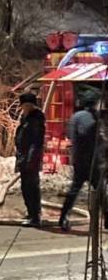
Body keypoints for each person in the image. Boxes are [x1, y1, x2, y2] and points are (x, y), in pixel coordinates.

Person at [59, 90, 101, 231]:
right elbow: (86, 133)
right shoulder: (88, 117)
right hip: (89, 160)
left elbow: (70, 134)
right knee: (99, 189)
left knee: (75, 189)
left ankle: (63, 216)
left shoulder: (75, 116)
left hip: (78, 158)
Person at [15, 92, 46, 227]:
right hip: (24, 157)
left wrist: (30, 160)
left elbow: (36, 142)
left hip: (30, 158)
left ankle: (35, 216)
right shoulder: (26, 118)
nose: (25, 108)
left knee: (31, 187)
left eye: (27, 105)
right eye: (24, 105)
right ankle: (31, 212)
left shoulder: (35, 120)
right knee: (25, 187)